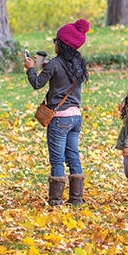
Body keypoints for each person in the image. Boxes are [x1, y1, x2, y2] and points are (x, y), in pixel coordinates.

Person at [24, 19, 90, 206]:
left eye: (56, 39)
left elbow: (37, 83)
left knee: (57, 160)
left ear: (61, 44)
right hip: (75, 117)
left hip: (59, 118)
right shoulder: (78, 63)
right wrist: (47, 68)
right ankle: (76, 199)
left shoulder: (55, 64)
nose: (54, 42)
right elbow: (63, 77)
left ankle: (55, 200)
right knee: (73, 157)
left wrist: (30, 69)